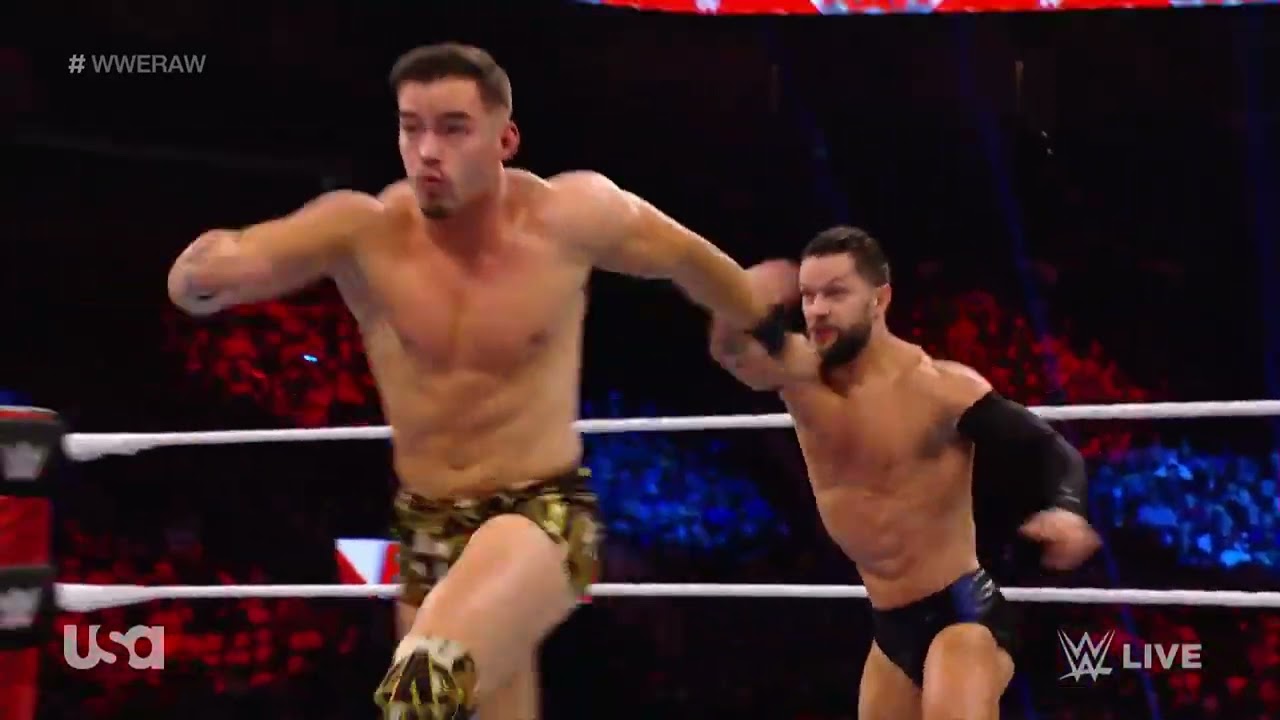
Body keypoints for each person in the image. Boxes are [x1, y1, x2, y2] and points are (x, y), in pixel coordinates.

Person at [166, 43, 805, 720]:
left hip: (539, 517)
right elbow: (215, 271)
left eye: (453, 129)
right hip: (425, 523)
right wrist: (206, 273)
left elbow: (688, 259)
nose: (427, 151)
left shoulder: (570, 217)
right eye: (411, 128)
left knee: (420, 694)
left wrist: (761, 331)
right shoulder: (362, 231)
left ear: (505, 139)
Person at [708, 226, 1101, 720]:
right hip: (889, 626)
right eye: (808, 296)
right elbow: (731, 351)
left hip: (963, 616)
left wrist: (1067, 509)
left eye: (835, 293)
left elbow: (1048, 450)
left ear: (879, 299)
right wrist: (742, 295)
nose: (818, 310)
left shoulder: (939, 388)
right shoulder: (800, 375)